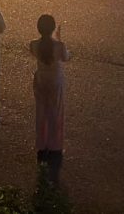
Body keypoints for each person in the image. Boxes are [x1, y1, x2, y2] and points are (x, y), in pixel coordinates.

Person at [31, 14, 71, 176]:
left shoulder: (33, 44)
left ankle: (42, 144)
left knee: (41, 113)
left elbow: (38, 54)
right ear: (53, 28)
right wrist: (59, 39)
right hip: (56, 82)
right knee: (55, 113)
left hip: (41, 80)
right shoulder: (59, 46)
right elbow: (66, 57)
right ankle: (55, 145)